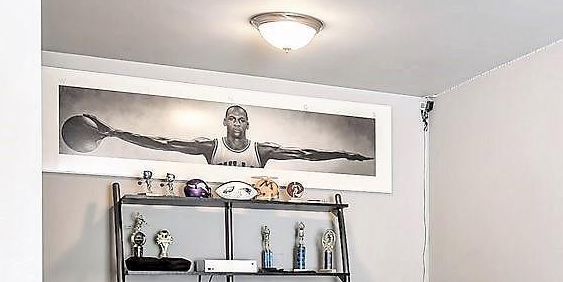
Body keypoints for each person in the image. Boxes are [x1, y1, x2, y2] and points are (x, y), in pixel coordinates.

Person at [60, 104, 370, 169]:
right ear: (224, 122)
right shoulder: (210, 146)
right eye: (232, 118)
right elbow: (164, 144)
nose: (237, 123)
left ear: (247, 124)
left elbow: (305, 154)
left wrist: (344, 154)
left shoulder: (262, 150)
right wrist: (115, 133)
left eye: (242, 120)